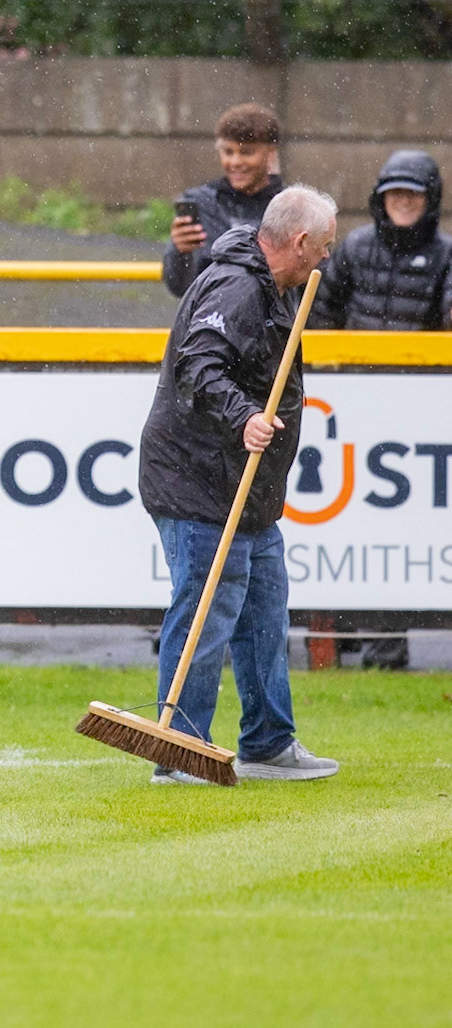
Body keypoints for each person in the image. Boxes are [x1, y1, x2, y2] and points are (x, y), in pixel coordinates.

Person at [139, 184, 341, 784]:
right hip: (196, 480)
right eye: (324, 247)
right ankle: (179, 749)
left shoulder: (277, 287)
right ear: (300, 242)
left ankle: (268, 743)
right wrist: (245, 416)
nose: (326, 259)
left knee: (263, 613)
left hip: (246, 486)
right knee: (208, 607)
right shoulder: (238, 286)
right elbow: (197, 362)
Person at [308, 150, 452, 670]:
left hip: (415, 413)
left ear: (430, 199)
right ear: (380, 198)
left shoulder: (445, 255)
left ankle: (387, 644)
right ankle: (344, 638)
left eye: (413, 194)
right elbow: (322, 315)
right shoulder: (354, 247)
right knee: (347, 529)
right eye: (395, 194)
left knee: (399, 533)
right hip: (353, 407)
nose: (403, 203)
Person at [164, 102, 286, 299]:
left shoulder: (290, 207)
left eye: (246, 152)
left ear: (271, 153)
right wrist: (180, 252)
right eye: (228, 152)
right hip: (210, 317)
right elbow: (179, 286)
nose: (235, 162)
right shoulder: (202, 203)